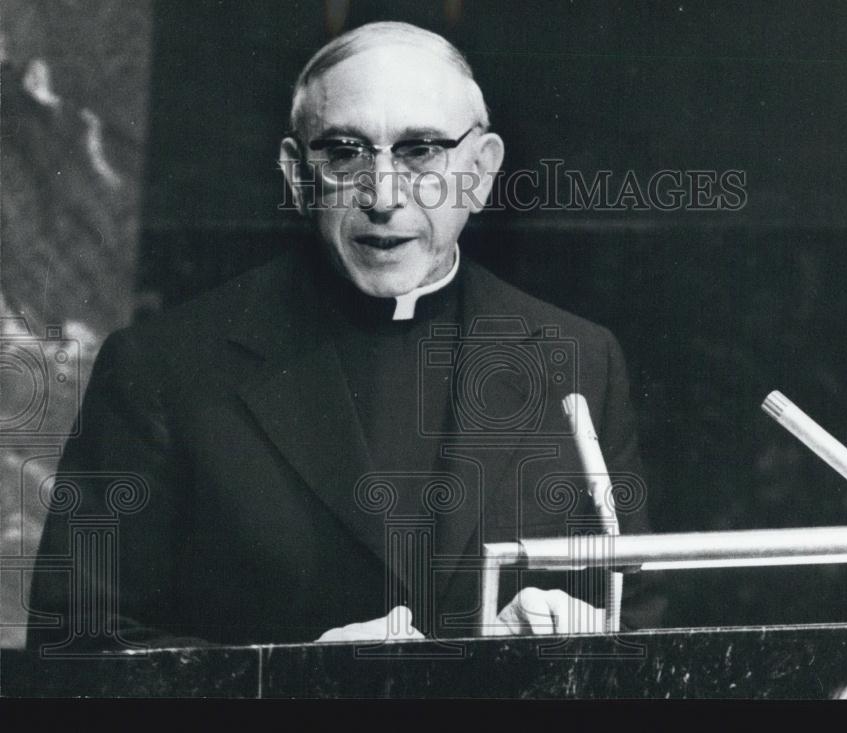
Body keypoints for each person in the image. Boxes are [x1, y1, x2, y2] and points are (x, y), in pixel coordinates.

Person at [27, 21, 664, 651]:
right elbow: (75, 650)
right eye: (344, 152)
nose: (383, 195)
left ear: (482, 168)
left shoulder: (577, 358)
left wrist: (574, 634)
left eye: (420, 151)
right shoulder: (163, 369)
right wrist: (297, 686)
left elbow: (636, 630)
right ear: (297, 174)